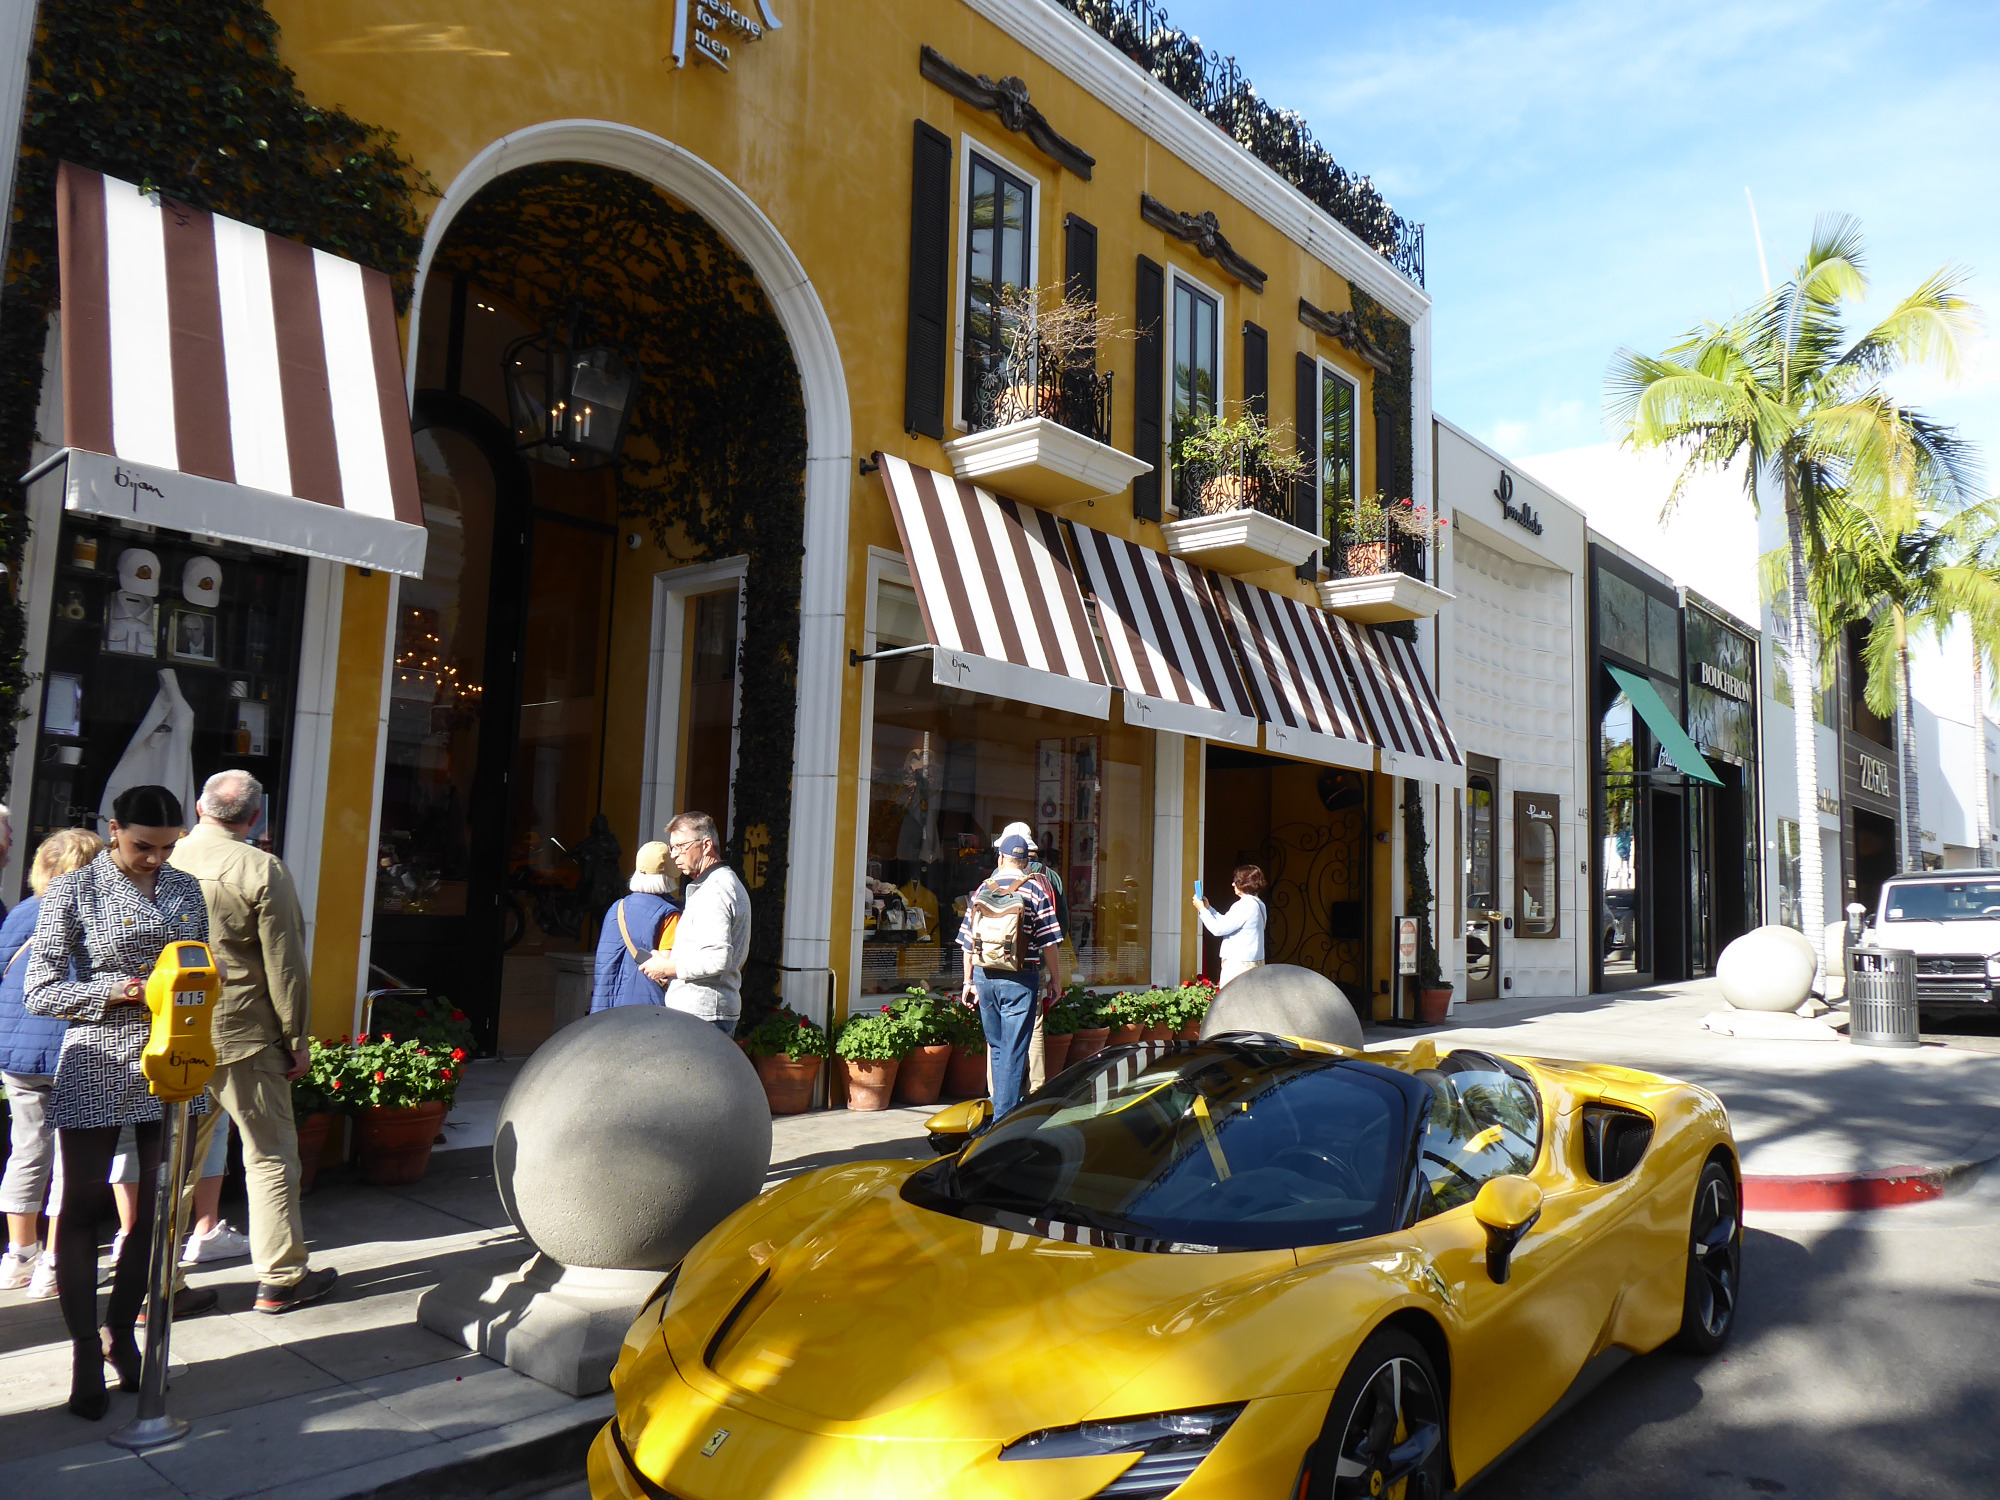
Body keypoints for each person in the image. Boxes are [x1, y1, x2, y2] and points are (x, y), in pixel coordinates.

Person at [25, 785, 210, 1420]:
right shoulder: (75, 890)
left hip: (176, 1054)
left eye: (167, 847)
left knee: (158, 1210)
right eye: (142, 846)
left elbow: (200, 965)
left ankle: (120, 1332)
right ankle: (83, 1350)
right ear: (113, 830)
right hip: (98, 1054)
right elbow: (40, 989)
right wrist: (124, 990)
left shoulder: (186, 888)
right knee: (82, 1206)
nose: (155, 858)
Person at [168, 770, 336, 1315]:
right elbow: (285, 964)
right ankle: (279, 1279)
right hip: (243, 1031)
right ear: (255, 818)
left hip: (174, 1031)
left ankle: (156, 1282)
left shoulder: (164, 859)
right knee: (269, 1158)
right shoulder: (260, 868)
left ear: (200, 807)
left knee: (172, 1163)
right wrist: (297, 1037)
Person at [0, 829, 105, 1300]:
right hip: (72, 1047)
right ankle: (56, 1263)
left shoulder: (23, 912)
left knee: (26, 1149)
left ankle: (18, 1256)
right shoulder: (96, 916)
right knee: (71, 1161)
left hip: (16, 1051)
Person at [959, 832, 1062, 1118]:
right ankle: (1004, 1120)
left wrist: (968, 981)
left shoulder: (982, 889)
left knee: (997, 1047)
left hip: (985, 977)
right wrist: (1056, 979)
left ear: (1001, 858)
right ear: (1026, 861)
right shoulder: (1035, 890)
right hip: (1020, 978)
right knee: (1015, 1050)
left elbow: (967, 941)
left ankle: (999, 1111)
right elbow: (1049, 943)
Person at [641, 813, 750, 1036]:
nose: (674, 854)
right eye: (672, 847)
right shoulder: (716, 884)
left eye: (681, 846)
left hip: (703, 1015)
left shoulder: (715, 889)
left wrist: (667, 968)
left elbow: (717, 959)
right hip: (705, 1012)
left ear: (706, 845)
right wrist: (670, 966)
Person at [992, 822, 1067, 1097]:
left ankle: (997, 1091)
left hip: (993, 963)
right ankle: (1037, 1089)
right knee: (1034, 1026)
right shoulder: (1050, 877)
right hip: (1032, 962)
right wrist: (1053, 970)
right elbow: (1061, 926)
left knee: (998, 1034)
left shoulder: (996, 876)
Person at [591, 841, 683, 1011]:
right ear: (669, 877)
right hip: (645, 1011)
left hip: (606, 1007)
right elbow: (664, 968)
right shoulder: (669, 915)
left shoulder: (617, 907)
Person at [1195, 863, 1268, 986]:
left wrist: (1202, 909)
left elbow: (1218, 929)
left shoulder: (1244, 905)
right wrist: (1209, 908)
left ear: (1244, 883)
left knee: (1232, 997)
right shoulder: (1259, 904)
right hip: (1253, 963)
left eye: (1236, 881)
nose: (1233, 884)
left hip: (1239, 965)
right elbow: (1227, 922)